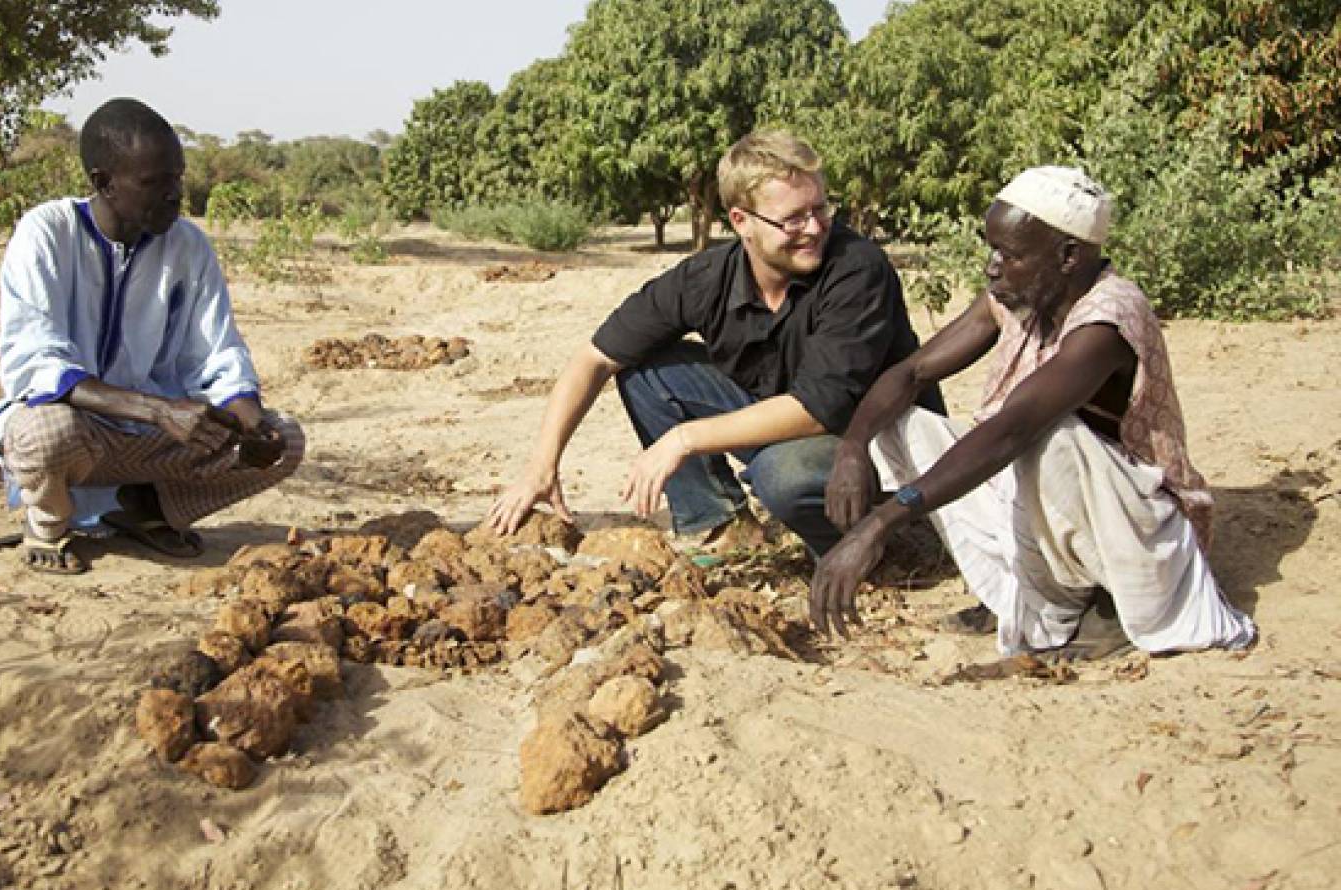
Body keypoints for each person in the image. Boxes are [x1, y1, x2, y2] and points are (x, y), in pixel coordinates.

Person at [809, 166, 1256, 659]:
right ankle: (1024, 596)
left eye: (1011, 255)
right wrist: (853, 447)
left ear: (1068, 256)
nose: (993, 267)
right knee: (898, 424)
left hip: (1131, 529)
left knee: (1052, 435)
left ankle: (1106, 604)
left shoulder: (1107, 320)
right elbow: (913, 373)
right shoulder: (1018, 297)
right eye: (992, 251)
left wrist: (881, 522)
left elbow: (1013, 429)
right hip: (1044, 498)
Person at [486, 130, 942, 556]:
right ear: (741, 221)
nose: (814, 228)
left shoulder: (857, 269)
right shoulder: (706, 278)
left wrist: (682, 439)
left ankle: (873, 545)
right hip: (788, 422)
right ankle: (724, 529)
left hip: (875, 442)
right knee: (647, 371)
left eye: (821, 209)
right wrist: (541, 466)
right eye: (793, 219)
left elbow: (819, 408)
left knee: (782, 475)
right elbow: (593, 359)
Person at [0, 98, 302, 574]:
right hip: (82, 434)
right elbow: (37, 366)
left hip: (155, 438)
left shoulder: (188, 246)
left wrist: (251, 424)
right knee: (43, 431)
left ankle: (142, 509)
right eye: (155, 182)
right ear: (104, 182)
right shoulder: (46, 233)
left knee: (286, 440)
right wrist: (158, 410)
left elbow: (216, 354)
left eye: (178, 179)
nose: (175, 195)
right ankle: (48, 522)